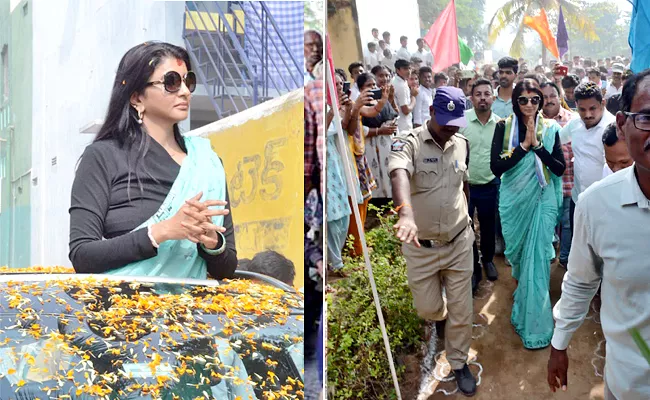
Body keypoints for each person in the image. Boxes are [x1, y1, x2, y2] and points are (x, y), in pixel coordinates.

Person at [69, 42, 237, 279]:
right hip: (123, 311)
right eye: (171, 82)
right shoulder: (103, 156)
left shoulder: (206, 163)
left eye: (187, 81)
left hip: (192, 311)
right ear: (137, 97)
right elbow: (82, 255)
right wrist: (162, 231)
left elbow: (226, 268)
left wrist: (210, 242)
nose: (185, 92)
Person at [548, 69, 650, 400]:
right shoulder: (597, 205)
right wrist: (560, 343)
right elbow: (580, 279)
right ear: (622, 124)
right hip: (629, 385)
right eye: (647, 117)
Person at [388, 87, 477, 396]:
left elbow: (462, 186)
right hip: (421, 249)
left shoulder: (462, 143)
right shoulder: (408, 143)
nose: (451, 128)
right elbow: (398, 173)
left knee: (462, 309)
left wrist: (469, 222)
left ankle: (458, 361)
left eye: (456, 122)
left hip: (457, 242)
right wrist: (406, 214)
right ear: (430, 114)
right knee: (428, 308)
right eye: (445, 122)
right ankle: (442, 320)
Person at [490, 79, 566, 349]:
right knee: (520, 254)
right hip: (515, 201)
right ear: (515, 102)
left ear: (541, 101)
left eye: (535, 99)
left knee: (538, 257)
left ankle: (536, 322)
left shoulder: (552, 128)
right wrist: (523, 146)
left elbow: (558, 169)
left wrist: (537, 146)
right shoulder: (503, 127)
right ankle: (524, 293)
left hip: (542, 198)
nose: (530, 104)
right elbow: (496, 168)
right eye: (523, 100)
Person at [460, 78, 500, 292]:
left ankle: (488, 260)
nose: (483, 98)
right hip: (465, 185)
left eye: (487, 94)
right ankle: (474, 266)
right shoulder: (462, 121)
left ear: (492, 97)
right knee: (467, 228)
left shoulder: (500, 123)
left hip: (490, 183)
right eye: (478, 94)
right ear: (472, 97)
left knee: (488, 225)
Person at [559, 82, 615, 233]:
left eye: (592, 109)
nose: (588, 115)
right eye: (582, 109)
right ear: (576, 105)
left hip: (605, 204)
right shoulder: (575, 124)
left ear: (602, 103)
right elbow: (557, 139)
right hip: (578, 200)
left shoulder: (614, 129)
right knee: (578, 247)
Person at [364, 65, 399, 201]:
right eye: (369, 85)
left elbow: (394, 114)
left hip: (386, 145)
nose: (373, 87)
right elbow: (359, 129)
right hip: (371, 147)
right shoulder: (361, 104)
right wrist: (380, 130)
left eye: (374, 85)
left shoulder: (383, 98)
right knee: (376, 178)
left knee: (389, 174)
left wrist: (389, 99)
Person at [392, 59, 417, 133]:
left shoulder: (401, 81)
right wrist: (413, 97)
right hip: (403, 126)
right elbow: (405, 110)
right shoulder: (400, 85)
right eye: (405, 69)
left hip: (401, 124)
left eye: (409, 68)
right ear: (397, 70)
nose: (408, 71)